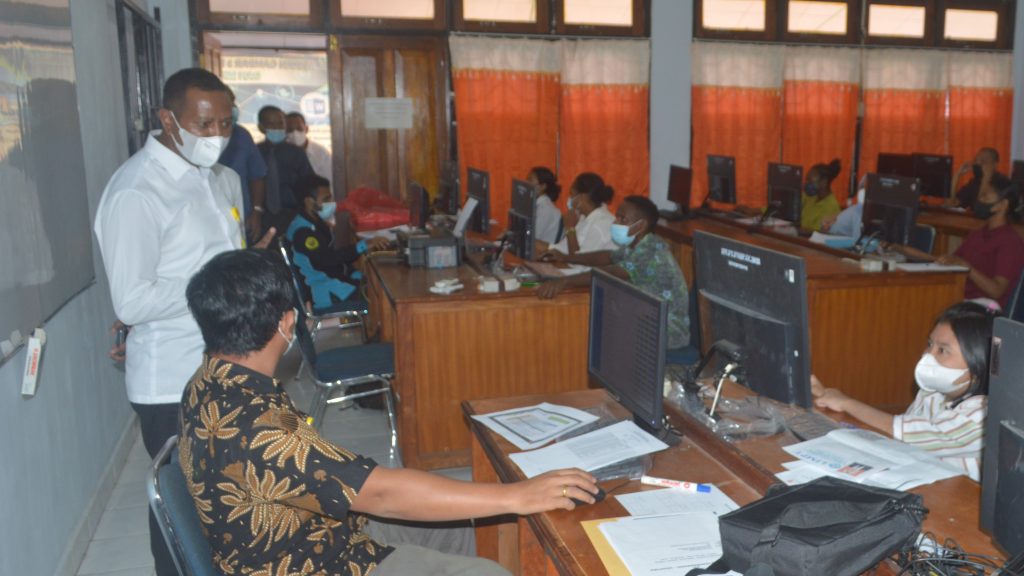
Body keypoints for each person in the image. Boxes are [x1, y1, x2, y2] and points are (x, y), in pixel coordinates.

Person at [181, 249, 599, 575]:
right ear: (287, 322)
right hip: (311, 563)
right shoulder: (261, 427)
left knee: (463, 528)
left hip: (308, 531)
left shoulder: (206, 383)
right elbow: (381, 494)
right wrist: (517, 494)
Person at [94, 67, 273, 576]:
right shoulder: (137, 191)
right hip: (173, 381)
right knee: (184, 515)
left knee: (231, 504)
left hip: (228, 365)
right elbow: (133, 301)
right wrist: (221, 282)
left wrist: (243, 271)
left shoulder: (222, 179)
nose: (217, 135)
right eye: (204, 124)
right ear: (168, 119)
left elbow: (216, 262)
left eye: (226, 123)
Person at [811, 302, 995, 481]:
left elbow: (905, 433)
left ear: (979, 361)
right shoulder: (932, 393)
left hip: (957, 494)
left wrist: (846, 402)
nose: (928, 355)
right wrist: (825, 397)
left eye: (942, 350)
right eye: (929, 344)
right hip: (924, 478)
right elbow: (896, 441)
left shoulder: (983, 414)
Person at [538, 196, 690, 350]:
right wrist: (566, 257)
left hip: (667, 332)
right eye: (617, 217)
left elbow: (614, 272)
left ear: (641, 225)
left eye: (622, 219)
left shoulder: (649, 250)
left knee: (589, 332)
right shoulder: (637, 244)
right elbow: (607, 257)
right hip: (645, 321)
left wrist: (564, 281)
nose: (615, 222)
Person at [896, 182, 1024, 310]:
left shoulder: (1010, 241)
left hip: (983, 308)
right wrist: (902, 250)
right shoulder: (979, 233)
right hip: (959, 298)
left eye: (985, 196)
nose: (979, 200)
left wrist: (967, 267)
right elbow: (952, 262)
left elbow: (996, 291)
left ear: (1003, 205)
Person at [286, 174, 388, 309]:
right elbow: (328, 260)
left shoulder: (313, 223)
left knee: (377, 287)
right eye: (326, 199)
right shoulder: (303, 232)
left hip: (332, 283)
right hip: (324, 291)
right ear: (309, 202)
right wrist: (362, 246)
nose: (332, 203)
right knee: (379, 300)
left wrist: (352, 273)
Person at [218, 87, 267, 242]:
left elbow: (257, 175)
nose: (233, 108)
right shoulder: (203, 137)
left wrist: (256, 211)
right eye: (228, 103)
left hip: (242, 218)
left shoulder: (241, 135)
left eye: (233, 103)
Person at [256, 105, 314, 234]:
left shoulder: (297, 153)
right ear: (261, 127)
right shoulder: (255, 153)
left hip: (293, 214)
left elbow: (309, 184)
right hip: (262, 216)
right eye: (271, 124)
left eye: (280, 123)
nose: (277, 128)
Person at [542, 172, 616, 256]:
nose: (569, 199)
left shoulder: (600, 224)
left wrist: (570, 228)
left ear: (583, 197)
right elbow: (560, 249)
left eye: (572, 195)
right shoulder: (584, 216)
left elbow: (578, 260)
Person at [286, 111, 334, 194]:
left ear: (306, 129)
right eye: (290, 130)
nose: (295, 133)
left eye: (299, 129)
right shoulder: (281, 153)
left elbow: (331, 182)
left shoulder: (321, 153)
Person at [800, 159, 842, 232]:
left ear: (824, 182)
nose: (807, 184)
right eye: (806, 180)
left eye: (810, 181)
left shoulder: (831, 207)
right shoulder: (809, 197)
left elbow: (815, 233)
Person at [528, 166, 563, 245]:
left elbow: (531, 238)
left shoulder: (545, 209)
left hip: (543, 251)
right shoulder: (537, 205)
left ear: (543, 186)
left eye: (530, 180)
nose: (526, 183)